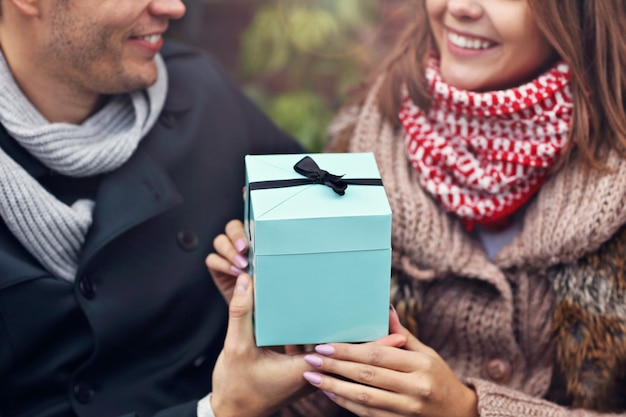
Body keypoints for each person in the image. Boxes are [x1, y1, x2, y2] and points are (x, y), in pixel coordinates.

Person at [208, 0, 626, 416]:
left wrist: (469, 410)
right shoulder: (357, 149)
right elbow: (327, 397)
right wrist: (280, 318)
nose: (459, 7)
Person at [0, 0, 311, 416]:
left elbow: (316, 211)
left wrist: (278, 298)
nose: (174, 7)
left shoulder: (203, 92)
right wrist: (223, 411)